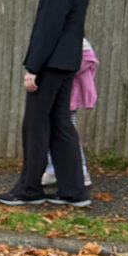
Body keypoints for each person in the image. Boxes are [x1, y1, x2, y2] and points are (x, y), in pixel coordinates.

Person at [0, 0, 97, 208]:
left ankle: (29, 188)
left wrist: (33, 66)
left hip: (52, 61)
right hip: (67, 59)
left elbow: (51, 21)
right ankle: (73, 191)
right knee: (61, 122)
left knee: (36, 123)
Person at [42, 36, 98, 187]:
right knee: (51, 130)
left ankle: (81, 171)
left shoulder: (78, 42)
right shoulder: (61, 37)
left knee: (67, 133)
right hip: (56, 93)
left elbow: (87, 60)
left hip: (67, 96)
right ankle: (53, 169)